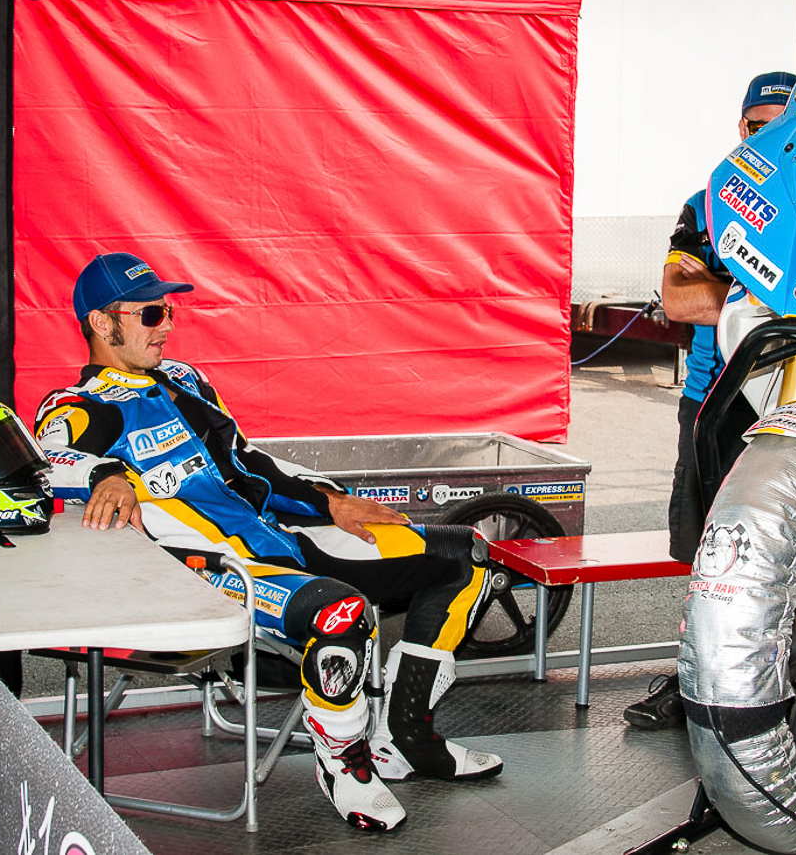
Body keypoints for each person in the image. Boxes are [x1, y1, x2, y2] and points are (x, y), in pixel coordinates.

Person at [34, 252, 502, 832]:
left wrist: (328, 500)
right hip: (212, 577)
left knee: (465, 554)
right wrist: (100, 474)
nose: (167, 326)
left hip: (281, 545)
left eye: (169, 312)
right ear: (103, 324)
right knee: (341, 613)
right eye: (151, 314)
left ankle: (405, 737)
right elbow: (45, 458)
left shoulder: (183, 380)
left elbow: (249, 464)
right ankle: (345, 765)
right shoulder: (82, 405)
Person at [624, 71, 796, 730]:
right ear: (741, 129)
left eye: (786, 125)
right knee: (712, 555)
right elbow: (681, 298)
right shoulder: (711, 204)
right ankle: (698, 676)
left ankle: (779, 676)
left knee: (794, 552)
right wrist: (783, 296)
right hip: (718, 403)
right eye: (760, 126)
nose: (771, 138)